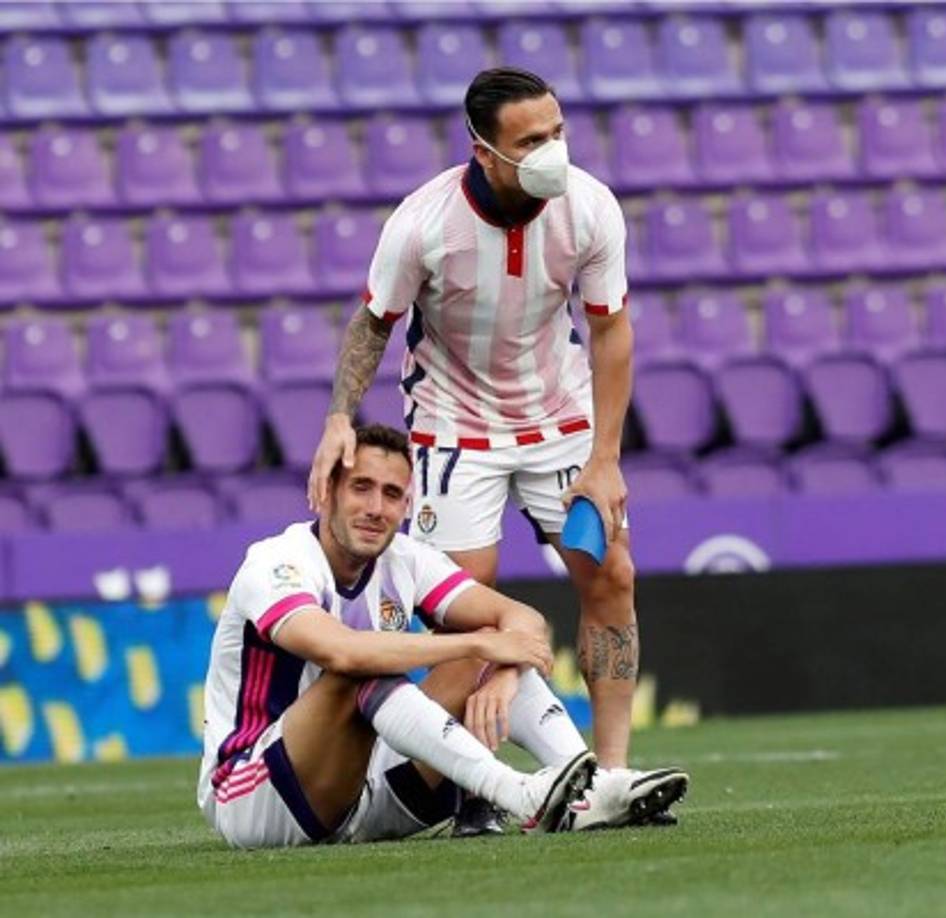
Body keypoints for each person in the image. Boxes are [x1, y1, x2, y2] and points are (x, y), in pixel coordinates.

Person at [307, 68, 683, 828]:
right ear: (485, 152)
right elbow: (373, 323)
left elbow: (611, 330)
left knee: (611, 577)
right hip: (454, 429)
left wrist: (604, 457)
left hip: (562, 420)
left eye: (557, 132)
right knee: (464, 617)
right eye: (530, 141)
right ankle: (471, 787)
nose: (551, 152)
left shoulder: (588, 207)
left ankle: (609, 776)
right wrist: (339, 416)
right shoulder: (423, 224)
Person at [198, 425, 683, 848]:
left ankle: (592, 789)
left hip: (363, 792)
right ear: (327, 491)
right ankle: (520, 794)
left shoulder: (405, 558)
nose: (375, 508)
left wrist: (501, 673)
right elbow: (338, 650)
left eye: (391, 495)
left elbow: (523, 620)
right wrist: (476, 644)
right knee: (364, 668)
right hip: (256, 794)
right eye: (361, 488)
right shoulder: (277, 561)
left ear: (407, 504)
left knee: (484, 657)